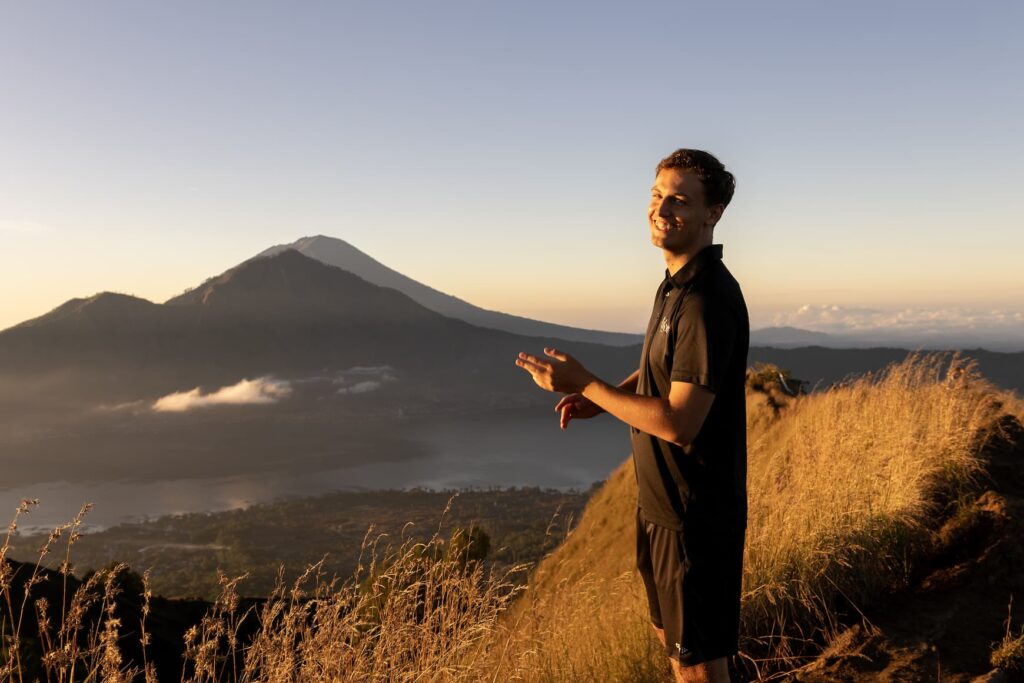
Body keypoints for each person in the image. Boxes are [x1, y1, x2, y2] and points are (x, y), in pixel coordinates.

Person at [514, 149, 749, 683]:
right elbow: (662, 376)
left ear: (713, 214)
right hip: (661, 508)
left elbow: (679, 421)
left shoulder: (705, 299)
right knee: (677, 651)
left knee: (701, 670)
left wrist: (587, 382)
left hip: (695, 516)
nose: (662, 208)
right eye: (657, 195)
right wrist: (601, 399)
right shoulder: (674, 285)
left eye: (681, 199)